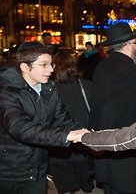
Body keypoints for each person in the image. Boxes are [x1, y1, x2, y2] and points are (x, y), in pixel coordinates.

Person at [0, 42, 88, 194]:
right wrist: (65, 136)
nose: (51, 69)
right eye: (44, 65)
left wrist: (88, 136)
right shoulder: (7, 92)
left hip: (38, 170)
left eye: (51, 64)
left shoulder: (49, 88)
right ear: (25, 67)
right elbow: (21, 129)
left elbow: (63, 118)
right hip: (9, 172)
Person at [89, 23, 136, 194]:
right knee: (123, 187)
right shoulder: (127, 68)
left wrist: (97, 137)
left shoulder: (104, 65)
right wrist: (102, 141)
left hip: (105, 140)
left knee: (110, 186)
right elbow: (112, 107)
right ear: (128, 45)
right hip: (120, 142)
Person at [48, 50, 95, 194]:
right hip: (81, 140)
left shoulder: (48, 89)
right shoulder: (86, 85)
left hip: (58, 143)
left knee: (64, 181)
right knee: (83, 178)